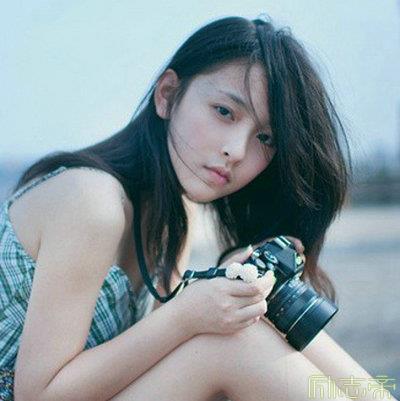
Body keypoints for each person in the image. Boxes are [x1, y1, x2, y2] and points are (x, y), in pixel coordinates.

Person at [0, 14, 395, 401]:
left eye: (265, 138)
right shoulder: (91, 202)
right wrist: (186, 314)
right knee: (232, 344)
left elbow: (150, 357)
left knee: (253, 312)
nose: (236, 151)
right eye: (224, 112)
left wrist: (225, 288)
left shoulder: (173, 217)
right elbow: (38, 393)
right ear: (167, 95)